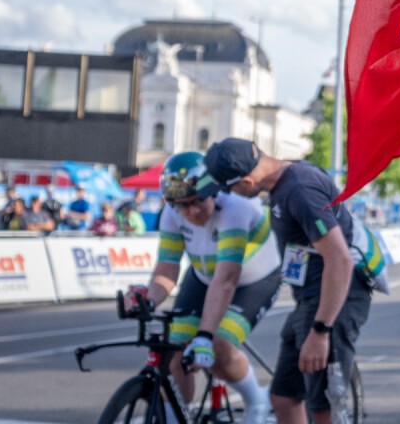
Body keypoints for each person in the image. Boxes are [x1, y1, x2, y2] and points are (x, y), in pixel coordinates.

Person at [204, 138, 383, 424]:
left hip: (335, 300)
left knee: (324, 407)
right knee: (284, 398)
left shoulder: (299, 189)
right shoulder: (283, 181)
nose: (230, 195)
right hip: (309, 298)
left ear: (247, 181)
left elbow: (340, 260)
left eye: (230, 188)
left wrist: (321, 330)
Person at [125, 151, 280, 424]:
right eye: (183, 205)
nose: (192, 211)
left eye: (198, 201)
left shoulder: (236, 209)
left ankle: (256, 399)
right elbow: (167, 270)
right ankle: (176, 417)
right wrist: (148, 298)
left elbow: (227, 278)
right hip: (203, 277)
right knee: (175, 352)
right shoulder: (172, 215)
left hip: (254, 281)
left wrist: (205, 336)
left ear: (214, 192)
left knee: (218, 346)